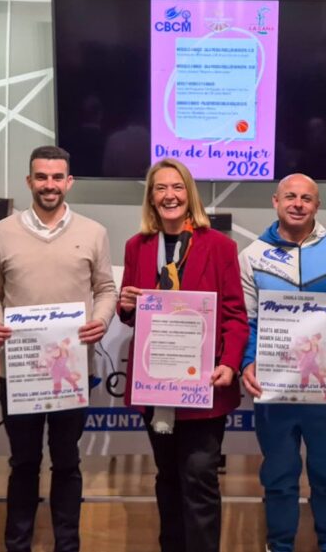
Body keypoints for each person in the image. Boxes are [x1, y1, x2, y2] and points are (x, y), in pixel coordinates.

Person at [0, 145, 117, 552]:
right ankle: (17, 545)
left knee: (67, 463)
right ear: (29, 182)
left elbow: (106, 289)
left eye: (57, 177)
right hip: (19, 372)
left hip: (71, 371)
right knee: (22, 463)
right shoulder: (1, 232)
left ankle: (67, 545)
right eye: (41, 177)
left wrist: (102, 319)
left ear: (69, 182)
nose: (49, 185)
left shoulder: (93, 232)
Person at [117, 158, 249, 552]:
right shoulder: (137, 247)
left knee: (199, 479)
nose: (169, 195)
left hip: (203, 388)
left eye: (176, 187)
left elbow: (234, 316)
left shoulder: (220, 246)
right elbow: (132, 315)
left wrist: (229, 363)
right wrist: (125, 304)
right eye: (160, 188)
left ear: (188, 194)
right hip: (156, 386)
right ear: (151, 197)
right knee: (167, 479)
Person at [238, 174, 326, 552]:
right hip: (274, 385)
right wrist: (247, 363)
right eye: (290, 197)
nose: (298, 204)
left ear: (317, 206)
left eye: (307, 199)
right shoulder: (251, 256)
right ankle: (279, 546)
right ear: (275, 201)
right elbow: (247, 320)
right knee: (278, 476)